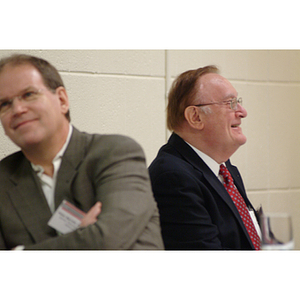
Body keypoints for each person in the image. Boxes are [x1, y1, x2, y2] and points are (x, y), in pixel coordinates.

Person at [0, 54, 164, 250]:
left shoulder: (114, 153)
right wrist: (85, 238)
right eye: (4, 104)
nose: (17, 109)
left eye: (28, 94)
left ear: (62, 100)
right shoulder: (3, 178)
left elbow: (108, 239)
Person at [149, 65, 261, 250]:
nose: (242, 111)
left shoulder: (225, 169)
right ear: (195, 117)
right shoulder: (173, 177)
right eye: (230, 103)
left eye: (238, 101)